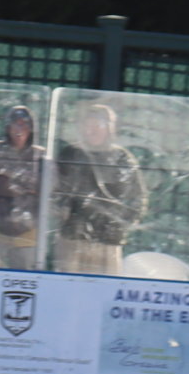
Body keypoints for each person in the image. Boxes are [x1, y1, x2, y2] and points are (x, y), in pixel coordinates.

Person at [51, 101, 145, 275]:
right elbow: (55, 192)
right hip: (73, 239)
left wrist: (119, 225)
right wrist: (62, 214)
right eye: (87, 125)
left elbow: (137, 198)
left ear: (110, 128)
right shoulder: (71, 154)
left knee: (105, 292)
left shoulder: (121, 158)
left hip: (108, 243)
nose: (91, 130)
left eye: (98, 125)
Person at [0, 105, 43, 267]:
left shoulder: (40, 155)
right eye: (16, 124)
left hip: (27, 230)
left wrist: (11, 181)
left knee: (23, 280)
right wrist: (26, 188)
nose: (20, 129)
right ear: (8, 127)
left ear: (32, 129)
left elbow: (46, 186)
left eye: (25, 124)